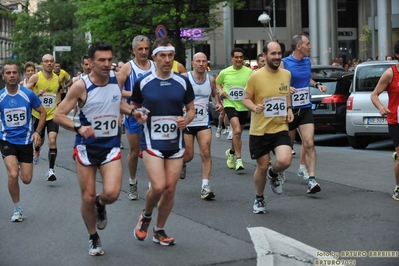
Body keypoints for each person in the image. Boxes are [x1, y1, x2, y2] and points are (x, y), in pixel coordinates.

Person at [54, 41, 147, 255]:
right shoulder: (81, 86)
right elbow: (59, 115)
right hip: (86, 148)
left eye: (109, 59)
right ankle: (93, 236)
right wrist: (78, 126)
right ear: (90, 62)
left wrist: (133, 112)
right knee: (86, 196)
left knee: (113, 193)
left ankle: (100, 203)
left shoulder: (116, 80)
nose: (106, 64)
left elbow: (116, 102)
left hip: (111, 146)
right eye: (101, 60)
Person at [132, 38, 195, 246]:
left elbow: (191, 109)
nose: (167, 60)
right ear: (154, 58)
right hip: (151, 142)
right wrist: (139, 114)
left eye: (170, 56)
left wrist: (186, 119)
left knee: (169, 189)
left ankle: (159, 230)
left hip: (175, 143)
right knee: (158, 186)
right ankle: (146, 216)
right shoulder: (143, 82)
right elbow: (134, 106)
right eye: (162, 56)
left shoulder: (183, 82)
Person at [243, 41, 293, 213]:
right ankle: (259, 198)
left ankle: (274, 174)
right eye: (273, 54)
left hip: (280, 127)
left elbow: (285, 94)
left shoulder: (286, 74)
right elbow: (246, 99)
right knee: (262, 166)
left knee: (285, 160)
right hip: (260, 129)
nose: (277, 57)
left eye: (279, 53)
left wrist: (288, 108)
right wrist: (254, 107)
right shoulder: (255, 77)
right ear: (265, 56)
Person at [0, 63, 46, 222]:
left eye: (14, 72)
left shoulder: (28, 94)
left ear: (18, 75)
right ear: (3, 76)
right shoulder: (1, 96)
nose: (12, 75)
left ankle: (18, 165)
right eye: (8, 73)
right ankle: (17, 209)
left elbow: (42, 112)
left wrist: (38, 132)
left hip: (26, 141)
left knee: (26, 179)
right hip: (7, 140)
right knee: (13, 174)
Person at [280, 34, 324, 194]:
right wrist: (286, 88)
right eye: (308, 44)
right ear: (299, 46)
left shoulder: (307, 61)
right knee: (287, 147)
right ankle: (279, 171)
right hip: (289, 109)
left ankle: (312, 180)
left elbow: (307, 79)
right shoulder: (285, 63)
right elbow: (279, 82)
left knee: (309, 143)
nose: (310, 47)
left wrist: (317, 84)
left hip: (305, 107)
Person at [180, 52, 223, 199]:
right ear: (192, 63)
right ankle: (182, 163)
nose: (201, 64)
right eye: (198, 61)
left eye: (204, 61)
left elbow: (214, 94)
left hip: (203, 122)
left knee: (206, 152)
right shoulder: (185, 78)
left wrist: (217, 104)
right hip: (187, 121)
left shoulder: (210, 80)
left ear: (207, 63)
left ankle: (205, 187)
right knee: (189, 155)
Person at [119, 35, 156, 200]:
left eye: (146, 48)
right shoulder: (127, 68)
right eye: (140, 49)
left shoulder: (155, 66)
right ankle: (132, 182)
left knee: (152, 151)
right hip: (133, 114)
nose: (143, 52)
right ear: (134, 50)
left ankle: (152, 184)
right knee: (134, 152)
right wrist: (135, 94)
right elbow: (116, 90)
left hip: (152, 115)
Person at [26, 54, 63, 181]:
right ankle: (36, 150)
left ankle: (51, 170)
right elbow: (25, 91)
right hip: (38, 115)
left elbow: (58, 92)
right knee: (39, 141)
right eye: (46, 61)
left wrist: (59, 105)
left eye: (51, 61)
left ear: (54, 64)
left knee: (52, 140)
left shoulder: (58, 79)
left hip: (52, 114)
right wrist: (36, 94)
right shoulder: (36, 77)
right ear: (41, 64)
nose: (49, 63)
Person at [370, 40, 399, 200]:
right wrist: (381, 107)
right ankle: (398, 188)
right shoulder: (391, 73)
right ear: (397, 55)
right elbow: (374, 95)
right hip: (396, 121)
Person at [216, 47, 253, 171]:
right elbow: (217, 83)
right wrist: (220, 91)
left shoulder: (249, 72)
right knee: (236, 129)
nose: (238, 59)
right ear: (232, 58)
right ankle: (239, 159)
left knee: (238, 133)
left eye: (241, 57)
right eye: (236, 57)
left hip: (243, 105)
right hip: (230, 104)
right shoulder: (225, 72)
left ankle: (231, 152)